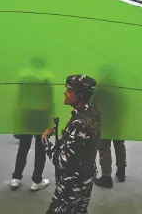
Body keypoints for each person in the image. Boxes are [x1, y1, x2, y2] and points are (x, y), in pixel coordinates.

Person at [42, 74, 101, 214]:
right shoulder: (93, 113)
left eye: (69, 90)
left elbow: (61, 161)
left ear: (80, 95)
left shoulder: (79, 123)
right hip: (86, 178)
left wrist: (45, 140)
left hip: (72, 184)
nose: (65, 92)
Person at [10, 57, 54, 192]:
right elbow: (50, 98)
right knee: (41, 147)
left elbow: (20, 96)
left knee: (23, 146)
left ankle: (16, 178)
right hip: (42, 114)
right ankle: (36, 180)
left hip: (27, 113)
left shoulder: (24, 76)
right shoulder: (48, 77)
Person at [91, 73, 127, 188]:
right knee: (119, 145)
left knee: (104, 148)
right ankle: (121, 171)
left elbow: (93, 104)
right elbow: (124, 103)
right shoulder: (118, 88)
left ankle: (106, 177)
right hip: (116, 121)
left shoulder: (98, 90)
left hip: (103, 122)